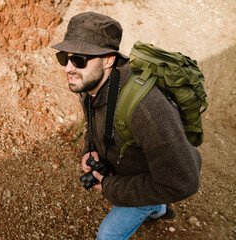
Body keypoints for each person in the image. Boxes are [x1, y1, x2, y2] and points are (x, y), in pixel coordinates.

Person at [51, 12, 202, 240]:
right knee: (153, 201)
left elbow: (183, 183)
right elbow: (91, 123)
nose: (68, 69)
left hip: (149, 177)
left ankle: (153, 205)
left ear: (109, 60)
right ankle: (158, 210)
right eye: (65, 58)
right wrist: (89, 147)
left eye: (79, 60)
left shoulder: (148, 111)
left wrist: (111, 187)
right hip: (135, 168)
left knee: (107, 235)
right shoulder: (88, 84)